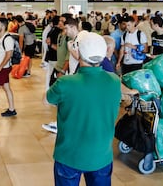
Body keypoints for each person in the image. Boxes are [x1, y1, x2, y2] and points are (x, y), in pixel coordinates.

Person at [46, 31, 121, 186]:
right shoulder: (114, 81)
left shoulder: (65, 83)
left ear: (78, 53)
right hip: (101, 155)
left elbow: (46, 100)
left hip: (69, 156)